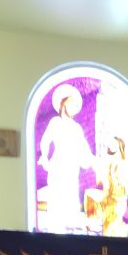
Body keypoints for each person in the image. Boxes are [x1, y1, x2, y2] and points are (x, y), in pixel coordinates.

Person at [38, 84, 95, 231]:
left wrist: (90, 160)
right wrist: (45, 157)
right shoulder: (55, 123)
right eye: (70, 103)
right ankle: (56, 227)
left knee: (70, 192)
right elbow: (45, 141)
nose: (72, 107)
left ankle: (69, 225)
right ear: (63, 104)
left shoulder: (76, 127)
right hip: (59, 164)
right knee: (58, 193)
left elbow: (83, 147)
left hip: (72, 165)